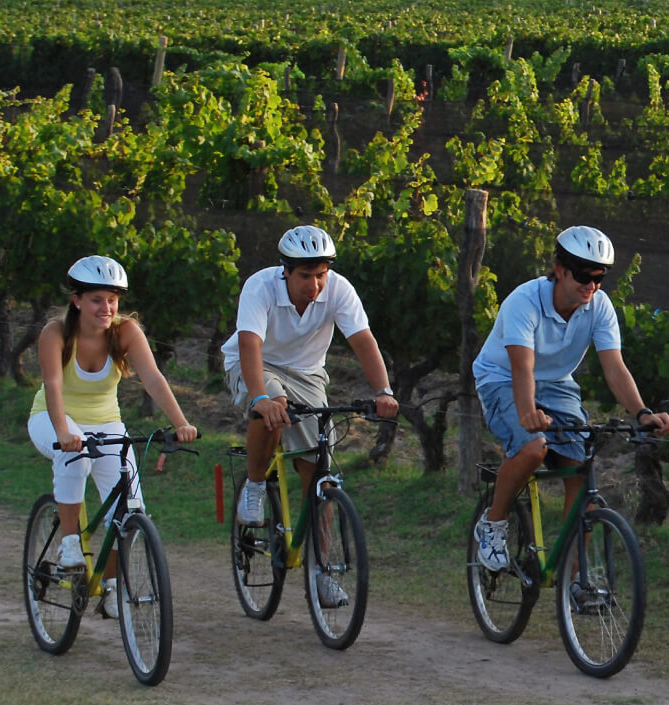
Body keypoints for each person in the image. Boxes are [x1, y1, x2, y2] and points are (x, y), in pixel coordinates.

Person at [470, 225, 669, 571]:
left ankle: (574, 579)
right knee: (533, 448)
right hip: (502, 378)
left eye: (600, 277)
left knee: (581, 474)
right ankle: (492, 524)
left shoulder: (599, 307)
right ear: (560, 270)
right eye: (583, 275)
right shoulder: (524, 301)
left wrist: (641, 413)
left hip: (557, 383)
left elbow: (615, 368)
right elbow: (521, 367)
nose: (592, 285)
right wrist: (527, 413)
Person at [223, 224, 399, 608]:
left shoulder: (339, 289)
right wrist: (259, 397)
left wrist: (383, 391)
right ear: (284, 270)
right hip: (253, 365)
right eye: (305, 276)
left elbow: (363, 340)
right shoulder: (260, 287)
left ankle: (322, 573)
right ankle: (254, 487)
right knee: (273, 404)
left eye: (321, 275)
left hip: (307, 375)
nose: (315, 285)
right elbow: (250, 345)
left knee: (319, 474)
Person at [27, 256, 199, 617]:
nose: (106, 308)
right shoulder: (55, 334)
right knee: (77, 457)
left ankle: (112, 586)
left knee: (130, 508)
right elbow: (53, 386)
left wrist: (181, 423)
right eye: (96, 300)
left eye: (112, 300)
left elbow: (153, 379)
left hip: (107, 424)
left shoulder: (126, 332)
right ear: (76, 300)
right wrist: (63, 432)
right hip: (52, 418)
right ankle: (71, 544)